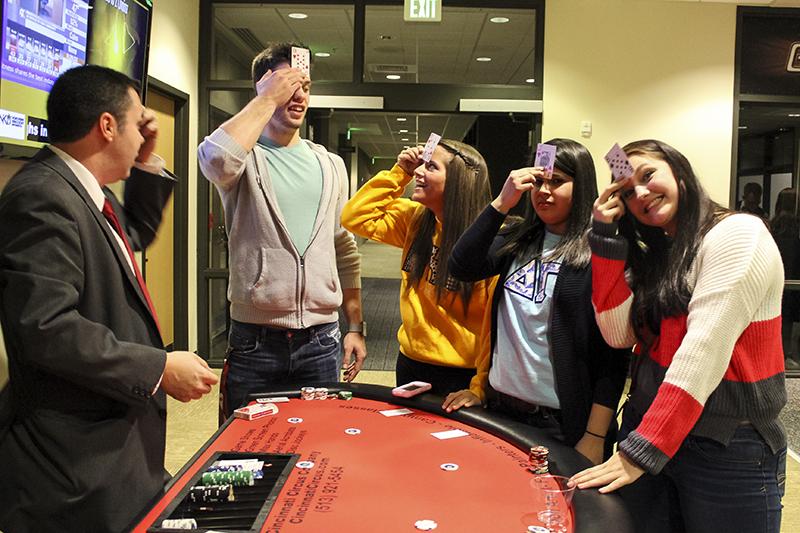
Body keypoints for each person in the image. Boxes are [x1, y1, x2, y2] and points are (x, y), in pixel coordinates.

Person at [0, 65, 218, 532]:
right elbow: (47, 328)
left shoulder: (83, 189)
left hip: (111, 449)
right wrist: (157, 368)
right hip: (72, 463)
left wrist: (145, 163)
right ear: (106, 126)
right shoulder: (42, 195)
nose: (146, 133)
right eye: (139, 122)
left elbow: (131, 234)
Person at [571, 140, 786, 533]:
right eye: (626, 191)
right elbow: (618, 333)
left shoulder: (737, 234)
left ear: (678, 169)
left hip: (722, 443)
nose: (640, 194)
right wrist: (603, 236)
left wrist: (641, 450)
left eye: (648, 175)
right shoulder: (662, 250)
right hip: (654, 424)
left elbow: (702, 354)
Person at [198, 42, 365, 418]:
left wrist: (356, 325)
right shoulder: (245, 159)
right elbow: (215, 158)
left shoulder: (331, 164)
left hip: (322, 340)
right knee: (245, 452)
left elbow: (344, 248)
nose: (299, 95)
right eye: (289, 84)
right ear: (264, 86)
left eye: (305, 85)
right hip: (256, 342)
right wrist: (265, 101)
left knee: (317, 445)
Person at [443, 139, 629, 464]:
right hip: (501, 411)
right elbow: (461, 266)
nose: (544, 191)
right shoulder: (519, 239)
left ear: (582, 185)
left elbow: (612, 359)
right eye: (539, 181)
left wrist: (595, 436)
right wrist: (502, 202)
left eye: (557, 182)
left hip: (562, 423)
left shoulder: (600, 250)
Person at [341, 140, 495, 395]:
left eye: (431, 166)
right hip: (411, 362)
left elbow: (495, 326)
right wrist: (400, 172)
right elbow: (354, 216)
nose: (419, 172)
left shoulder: (489, 239)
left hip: (463, 373)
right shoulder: (416, 219)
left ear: (459, 181)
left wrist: (480, 387)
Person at [770, 188, 800, 370]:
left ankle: (780, 355)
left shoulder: (772, 227)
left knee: (780, 319)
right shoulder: (796, 228)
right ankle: (788, 355)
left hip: (777, 280)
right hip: (794, 280)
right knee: (789, 321)